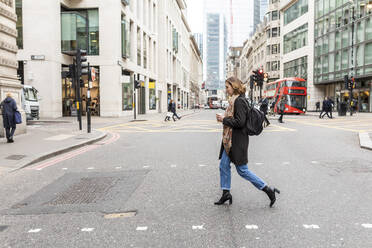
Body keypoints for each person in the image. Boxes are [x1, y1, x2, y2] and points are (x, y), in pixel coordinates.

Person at [215, 76, 280, 208]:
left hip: (237, 141)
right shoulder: (234, 100)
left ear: (234, 87)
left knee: (242, 170)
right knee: (223, 165)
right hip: (230, 141)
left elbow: (240, 122)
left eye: (227, 87)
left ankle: (268, 189)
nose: (226, 89)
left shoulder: (239, 101)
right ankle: (226, 193)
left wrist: (224, 119)